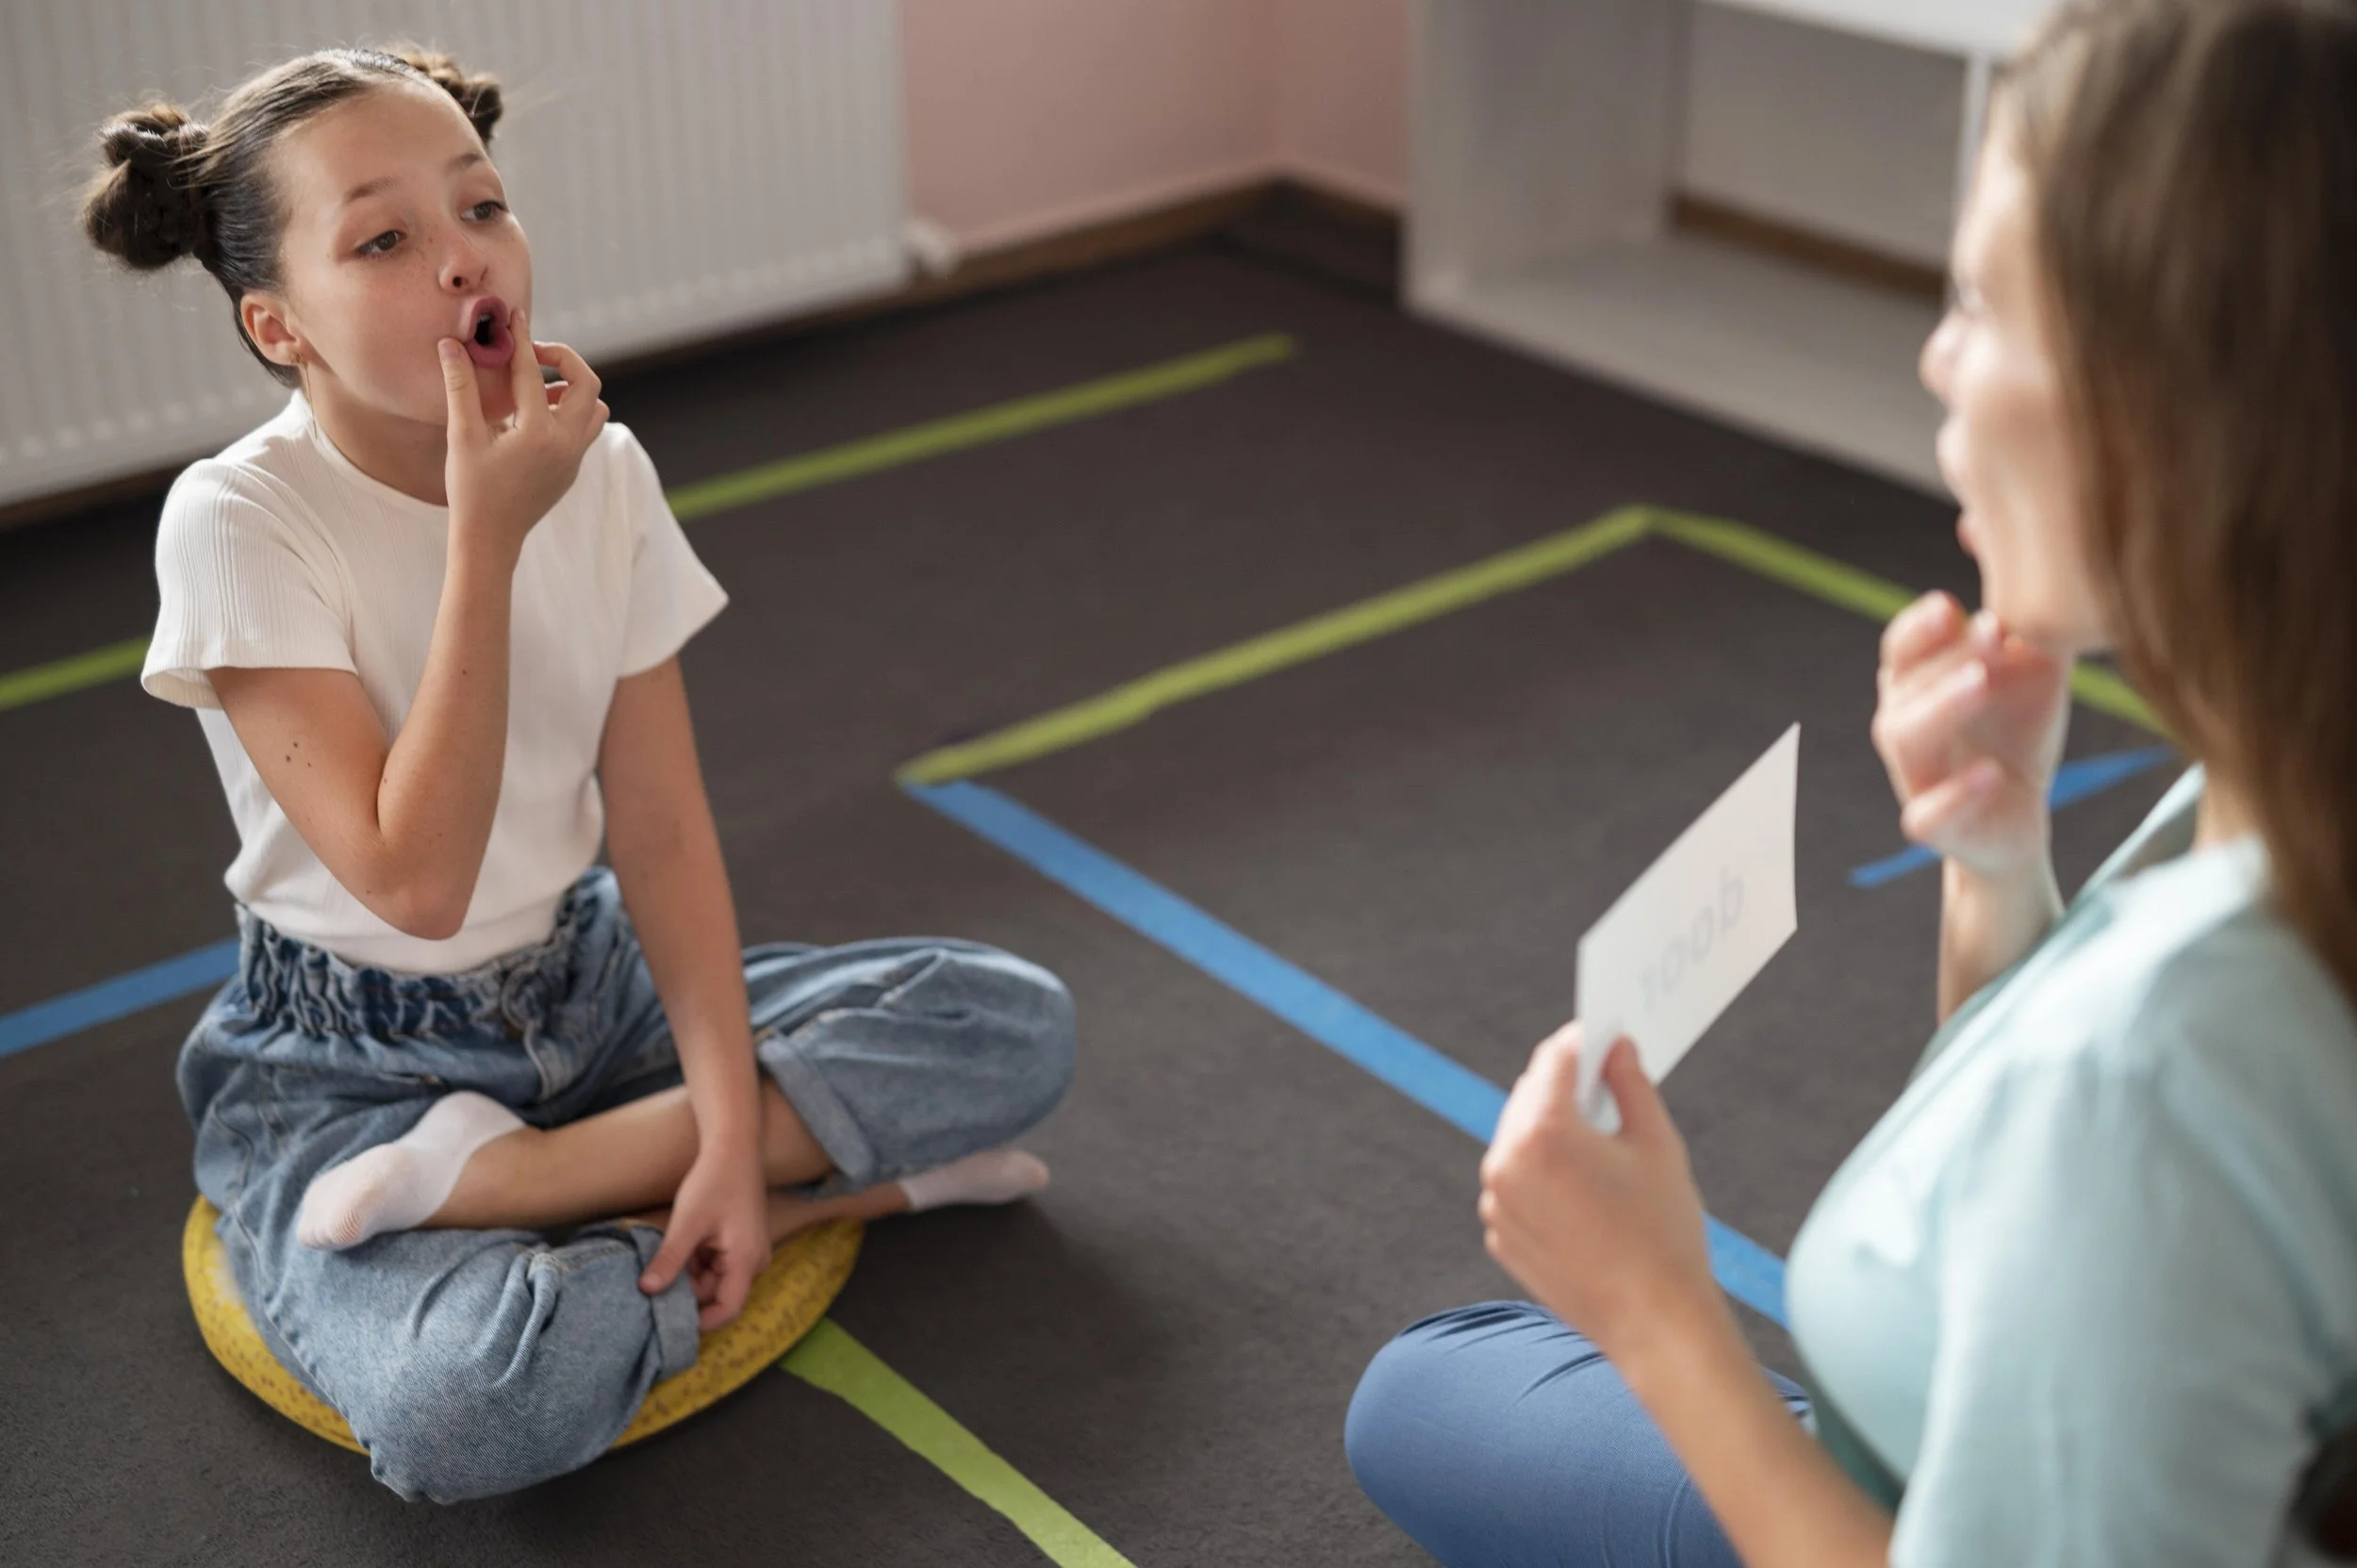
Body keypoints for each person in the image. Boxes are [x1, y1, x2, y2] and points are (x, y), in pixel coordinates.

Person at [1343, 0, 2357, 1561]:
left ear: (2173, 402)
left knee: (1424, 1393)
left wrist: (1661, 1316)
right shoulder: (2291, 779)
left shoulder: (2151, 1074)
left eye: (1975, 300)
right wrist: (1999, 858)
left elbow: (2116, 1117)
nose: (1937, 358)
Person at [81, 45, 1076, 1503]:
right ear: (278, 325)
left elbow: (660, 826)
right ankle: (820, 1187)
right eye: (384, 237)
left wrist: (731, 1138)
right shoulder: (234, 519)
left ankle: (547, 1186)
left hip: (585, 982)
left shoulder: (597, 466)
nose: (462, 258)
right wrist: (489, 537)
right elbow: (416, 882)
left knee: (1014, 1025)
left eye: (480, 206)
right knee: (467, 1414)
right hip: (349, 1063)